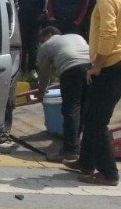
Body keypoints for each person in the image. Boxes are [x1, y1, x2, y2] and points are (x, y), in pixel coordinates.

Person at [63, 0, 121, 186]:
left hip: (110, 66)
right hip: (111, 64)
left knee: (97, 121)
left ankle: (108, 173)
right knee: (90, 115)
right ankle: (86, 162)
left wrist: (97, 64)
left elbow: (108, 34)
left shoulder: (107, 0)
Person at [36, 26, 89, 162]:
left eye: (42, 40)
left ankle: (70, 150)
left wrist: (41, 91)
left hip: (71, 70)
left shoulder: (47, 45)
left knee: (71, 108)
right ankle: (76, 142)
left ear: (48, 34)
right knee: (83, 107)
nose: (41, 43)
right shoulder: (76, 37)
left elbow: (43, 73)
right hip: (91, 68)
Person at [17, 0, 48, 76]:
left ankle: (32, 68)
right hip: (23, 24)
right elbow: (19, 8)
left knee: (33, 47)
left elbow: (43, 10)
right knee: (23, 47)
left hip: (35, 26)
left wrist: (38, 20)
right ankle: (21, 68)